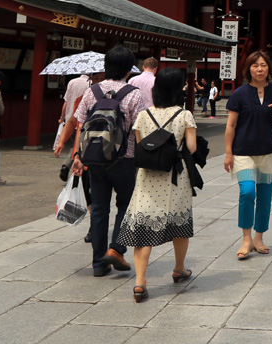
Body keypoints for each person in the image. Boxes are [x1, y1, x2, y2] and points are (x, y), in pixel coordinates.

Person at [65, 48, 147, 276]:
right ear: (128, 68)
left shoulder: (93, 91)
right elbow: (139, 127)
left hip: (95, 159)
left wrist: (78, 156)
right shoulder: (134, 93)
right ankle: (116, 249)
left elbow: (80, 123)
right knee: (126, 206)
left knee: (99, 210)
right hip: (124, 158)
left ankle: (99, 265)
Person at [118, 68, 197, 302]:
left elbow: (142, 145)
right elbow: (191, 148)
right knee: (179, 221)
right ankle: (179, 268)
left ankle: (140, 282)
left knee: (143, 229)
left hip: (147, 178)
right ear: (178, 88)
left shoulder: (144, 115)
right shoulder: (185, 115)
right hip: (175, 177)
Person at [225, 51, 272, 260]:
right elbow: (231, 125)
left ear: (269, 68)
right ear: (248, 69)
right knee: (247, 192)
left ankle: (259, 237)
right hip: (243, 152)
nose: (259, 69)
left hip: (269, 151)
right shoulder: (240, 93)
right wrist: (228, 153)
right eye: (255, 66)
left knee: (265, 197)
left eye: (263, 65)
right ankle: (246, 238)